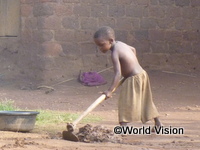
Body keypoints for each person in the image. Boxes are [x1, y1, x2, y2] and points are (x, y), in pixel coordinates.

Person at [93, 26, 161, 129]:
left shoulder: (115, 52)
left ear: (111, 41)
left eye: (102, 45)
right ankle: (158, 123)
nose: (100, 49)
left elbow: (117, 73)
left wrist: (110, 91)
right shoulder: (121, 44)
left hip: (133, 78)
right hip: (142, 74)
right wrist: (134, 64)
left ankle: (124, 128)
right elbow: (133, 49)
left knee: (125, 102)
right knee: (146, 100)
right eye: (98, 46)